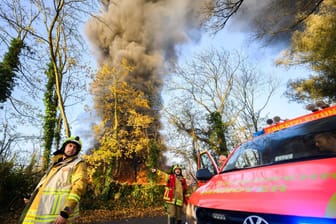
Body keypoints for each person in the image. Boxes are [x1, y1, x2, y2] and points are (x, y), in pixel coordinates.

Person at [19, 136, 88, 224]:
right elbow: (45, 185)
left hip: (57, 215)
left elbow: (78, 188)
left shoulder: (78, 164)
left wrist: (65, 212)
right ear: (64, 147)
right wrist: (32, 197)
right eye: (70, 145)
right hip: (37, 210)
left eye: (75, 148)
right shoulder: (55, 164)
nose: (72, 149)